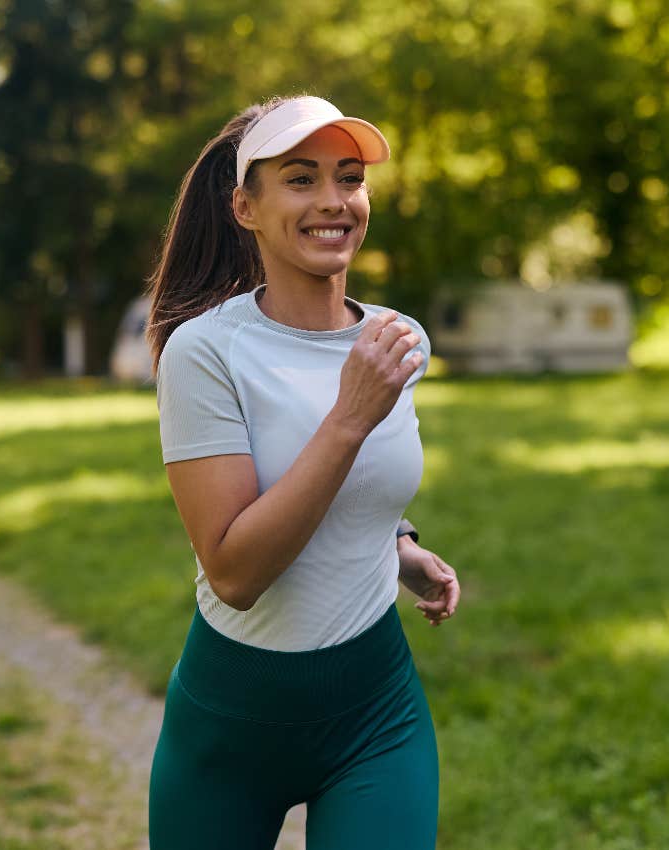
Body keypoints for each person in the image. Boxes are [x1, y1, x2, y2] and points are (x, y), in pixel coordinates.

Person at [145, 94, 461, 850]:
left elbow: (362, 489)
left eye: (348, 178)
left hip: (374, 711)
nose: (333, 201)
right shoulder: (206, 352)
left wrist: (398, 547)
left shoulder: (397, 339)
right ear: (245, 207)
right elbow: (236, 572)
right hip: (233, 724)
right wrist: (350, 416)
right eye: (300, 178)